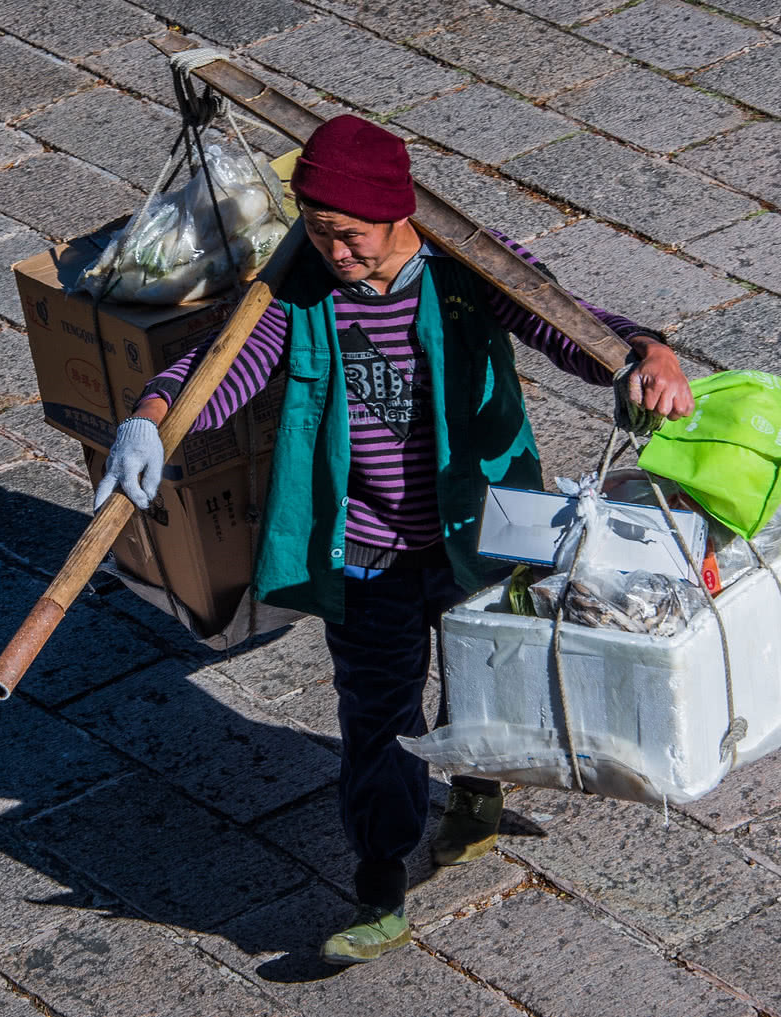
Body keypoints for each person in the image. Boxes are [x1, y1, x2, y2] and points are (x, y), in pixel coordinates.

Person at [94, 115, 692, 964]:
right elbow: (223, 366)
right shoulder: (296, 291)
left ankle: (478, 789)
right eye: (322, 234)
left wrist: (645, 352)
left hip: (479, 533)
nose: (339, 253)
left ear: (399, 215)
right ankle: (380, 880)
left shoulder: (463, 273)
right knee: (377, 716)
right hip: (367, 548)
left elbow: (568, 324)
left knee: (489, 679)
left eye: (353, 237)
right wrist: (152, 419)